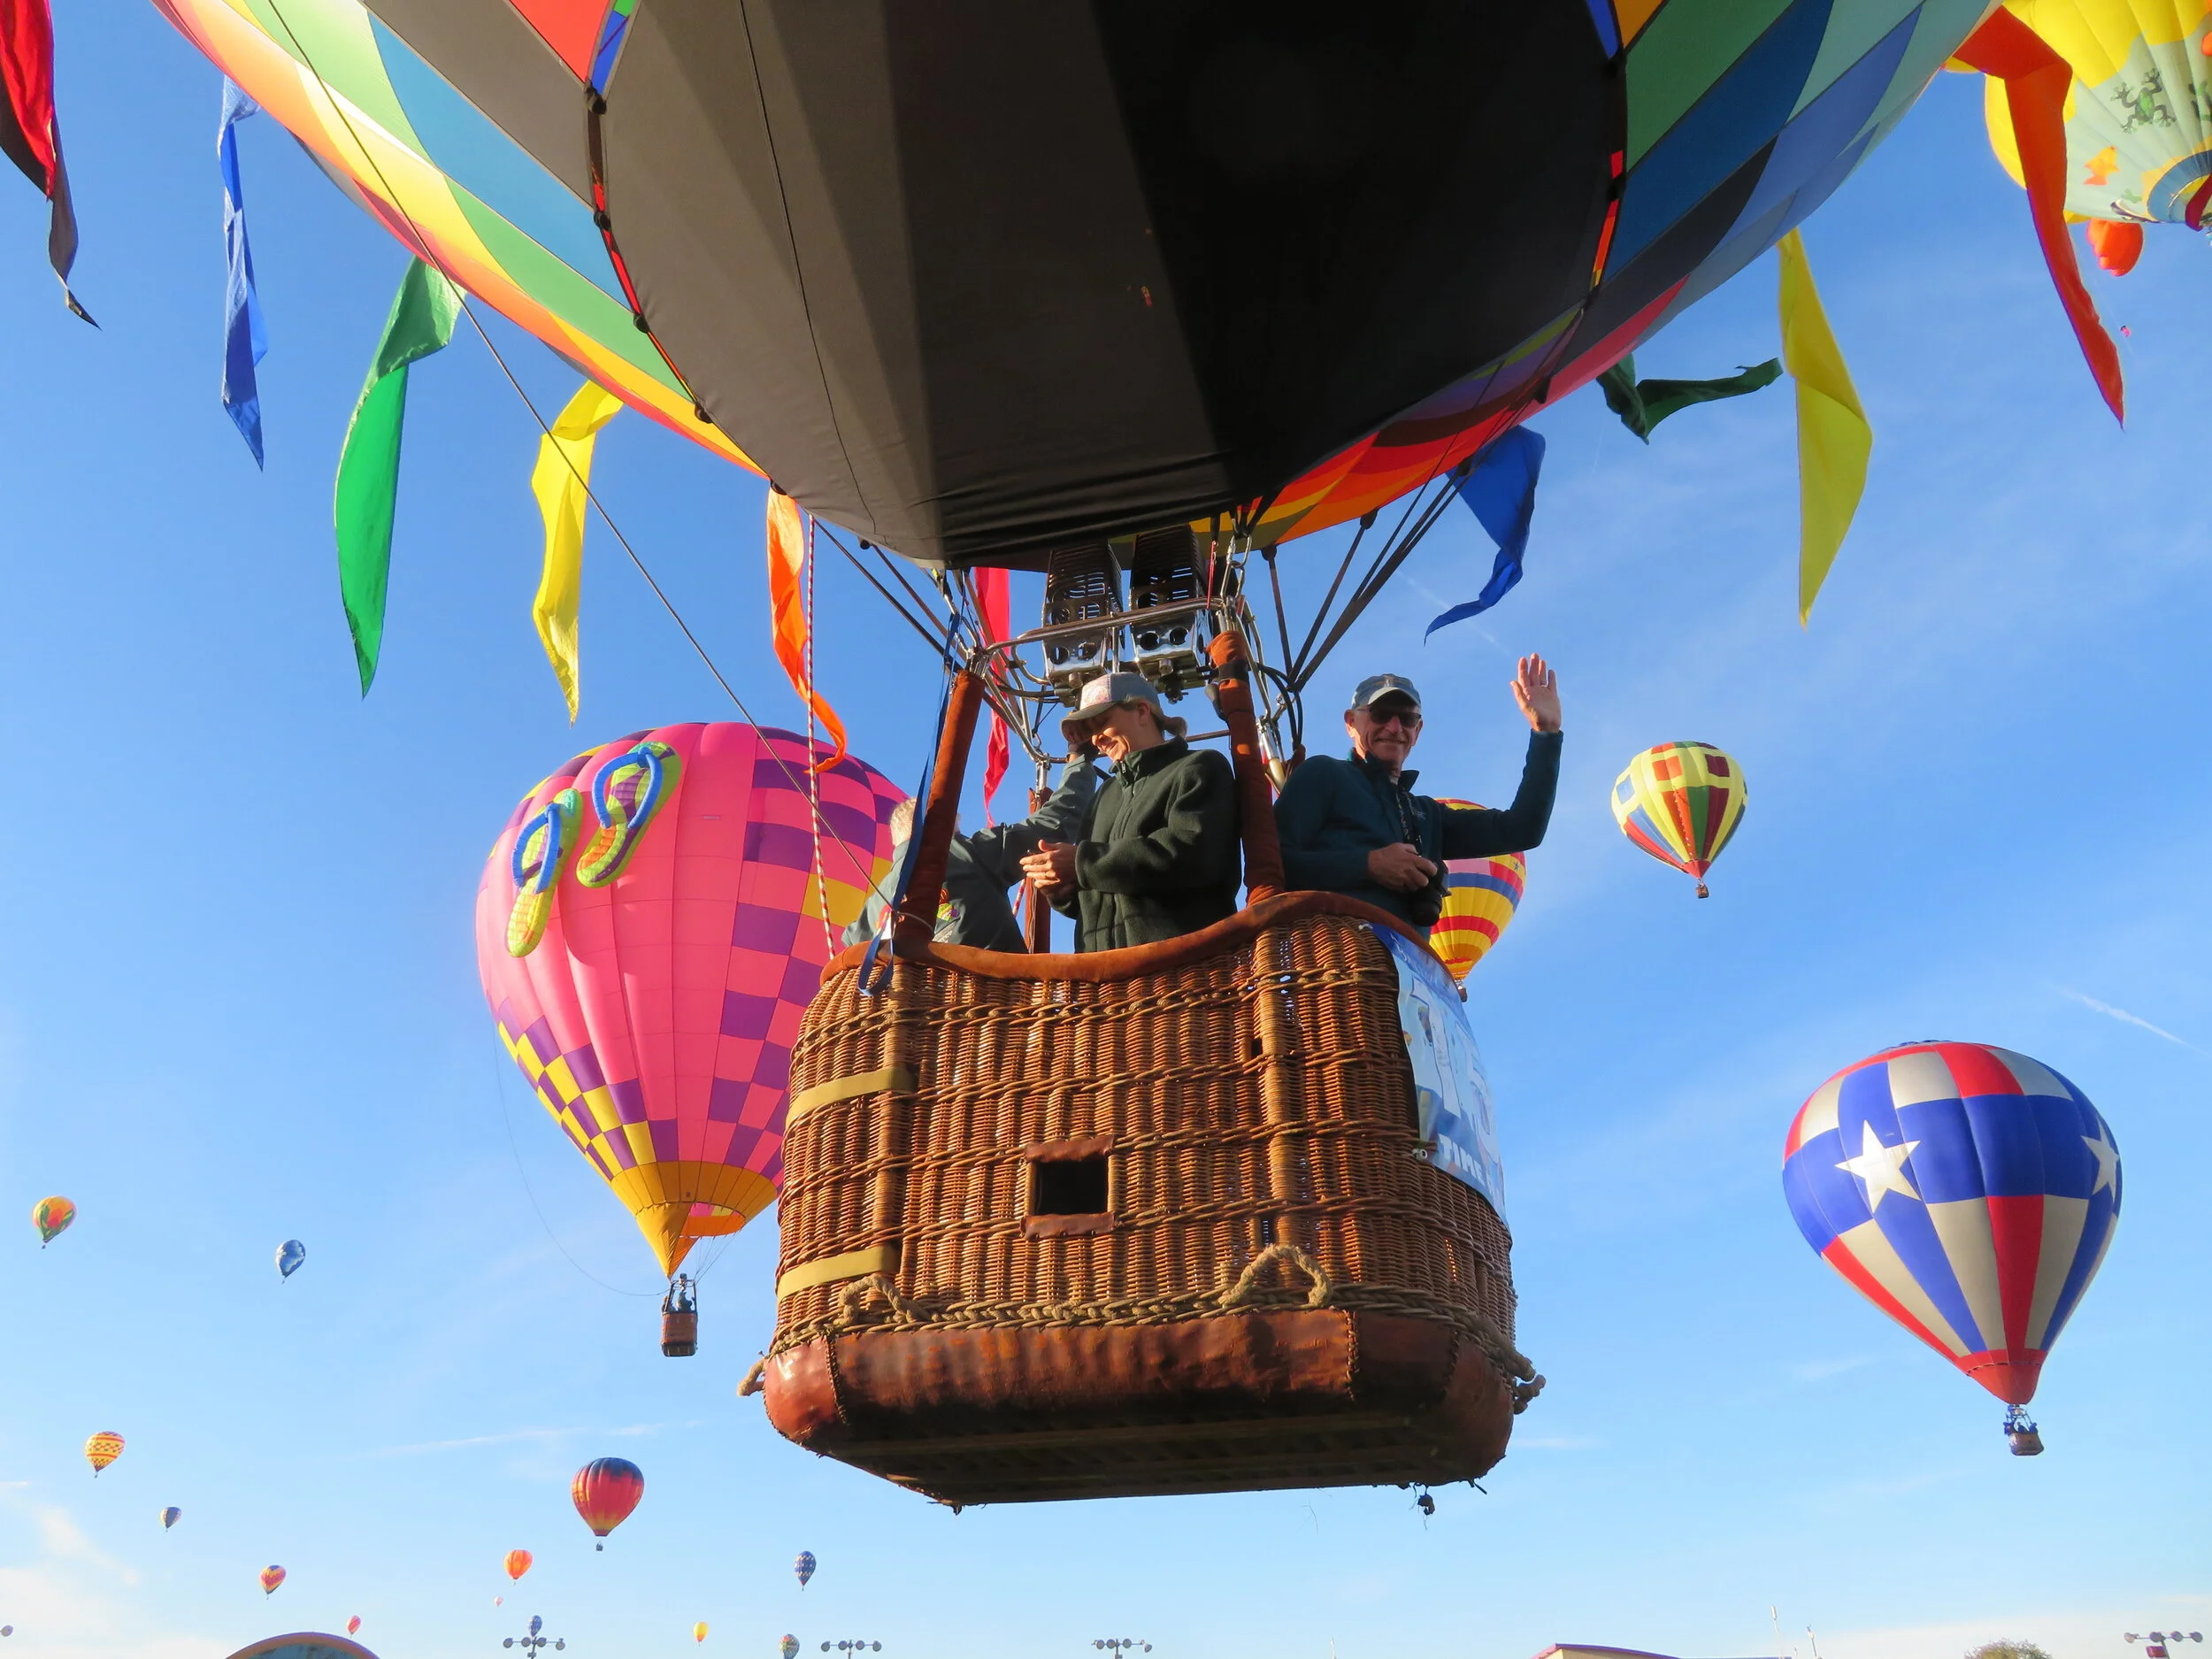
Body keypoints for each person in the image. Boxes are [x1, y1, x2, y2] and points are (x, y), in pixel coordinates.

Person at [1273, 657, 1563, 930]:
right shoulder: (1324, 774)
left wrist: (1546, 734)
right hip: (1334, 960)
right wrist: (1368, 865)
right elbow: (1272, 864)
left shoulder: (1427, 815)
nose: (1394, 727)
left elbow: (1523, 831)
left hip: (1408, 973)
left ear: (1418, 730)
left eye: (1407, 719)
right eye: (1381, 715)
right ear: (1351, 722)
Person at [1018, 671, 1240, 952]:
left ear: (1142, 711)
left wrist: (1080, 862)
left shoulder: (1199, 767)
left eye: (1102, 722)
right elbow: (1097, 895)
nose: (1096, 739)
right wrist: (1062, 889)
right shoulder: (1103, 797)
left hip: (1182, 975)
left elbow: (1192, 855)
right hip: (1104, 984)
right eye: (1089, 731)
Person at [844, 757, 1100, 952]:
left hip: (911, 1016)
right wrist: (1080, 759)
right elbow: (1054, 824)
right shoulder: (964, 852)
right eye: (955, 830)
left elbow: (848, 954)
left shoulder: (874, 907)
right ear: (944, 828)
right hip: (992, 1006)